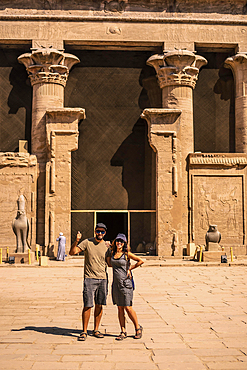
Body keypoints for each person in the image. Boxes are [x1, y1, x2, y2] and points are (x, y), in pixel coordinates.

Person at [69, 223, 109, 341]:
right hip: (89, 278)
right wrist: (76, 241)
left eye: (102, 231)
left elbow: (110, 263)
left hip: (103, 278)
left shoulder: (107, 246)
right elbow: (72, 252)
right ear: (95, 231)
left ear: (105, 233)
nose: (100, 233)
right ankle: (84, 331)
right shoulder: (87, 242)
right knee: (87, 305)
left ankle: (96, 329)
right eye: (98, 231)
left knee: (99, 304)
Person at [107, 233, 144, 340]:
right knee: (120, 308)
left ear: (124, 244)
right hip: (116, 284)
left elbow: (140, 261)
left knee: (128, 307)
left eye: (122, 241)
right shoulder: (113, 253)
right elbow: (109, 264)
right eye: (118, 241)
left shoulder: (127, 254)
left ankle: (137, 327)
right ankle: (123, 331)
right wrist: (109, 251)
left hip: (126, 283)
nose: (119, 243)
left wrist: (130, 269)